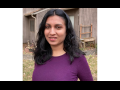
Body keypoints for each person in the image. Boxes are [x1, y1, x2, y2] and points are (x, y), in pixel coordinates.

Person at [32, 9, 93, 81]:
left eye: (58, 27)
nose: (52, 32)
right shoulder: (40, 56)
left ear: (67, 31)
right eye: (47, 27)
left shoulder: (77, 59)